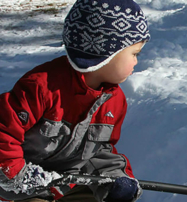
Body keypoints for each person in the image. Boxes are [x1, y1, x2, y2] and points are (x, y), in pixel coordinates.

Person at [0, 0, 150, 201]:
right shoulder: (42, 87)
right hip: (20, 189)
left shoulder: (114, 101)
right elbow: (4, 131)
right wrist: (20, 176)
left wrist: (115, 177)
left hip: (66, 185)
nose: (136, 62)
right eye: (134, 53)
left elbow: (100, 151)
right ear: (105, 51)